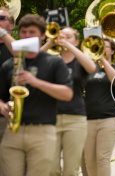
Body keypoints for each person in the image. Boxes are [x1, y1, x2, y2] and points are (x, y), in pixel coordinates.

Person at [0, 14, 73, 176]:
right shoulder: (9, 64)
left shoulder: (54, 62)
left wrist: (36, 81)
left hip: (42, 131)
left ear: (42, 36)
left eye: (32, 32)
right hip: (12, 131)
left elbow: (67, 93)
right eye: (23, 32)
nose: (26, 36)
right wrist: (2, 105)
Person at [41, 26, 96, 176]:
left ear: (77, 41)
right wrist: (49, 44)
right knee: (50, 169)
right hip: (51, 118)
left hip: (75, 118)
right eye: (61, 36)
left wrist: (69, 47)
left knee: (71, 170)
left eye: (68, 36)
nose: (63, 38)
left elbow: (91, 67)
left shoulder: (80, 62)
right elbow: (31, 61)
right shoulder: (51, 61)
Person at [83, 38, 115, 176]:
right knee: (90, 161)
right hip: (88, 120)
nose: (101, 49)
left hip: (109, 119)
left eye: (105, 47)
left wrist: (104, 61)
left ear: (112, 51)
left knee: (102, 158)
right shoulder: (88, 70)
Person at [0, 7, 16, 146]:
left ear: (11, 25)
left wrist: (3, 34)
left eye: (1, 18)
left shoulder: (18, 47)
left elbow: (23, 56)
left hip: (10, 115)